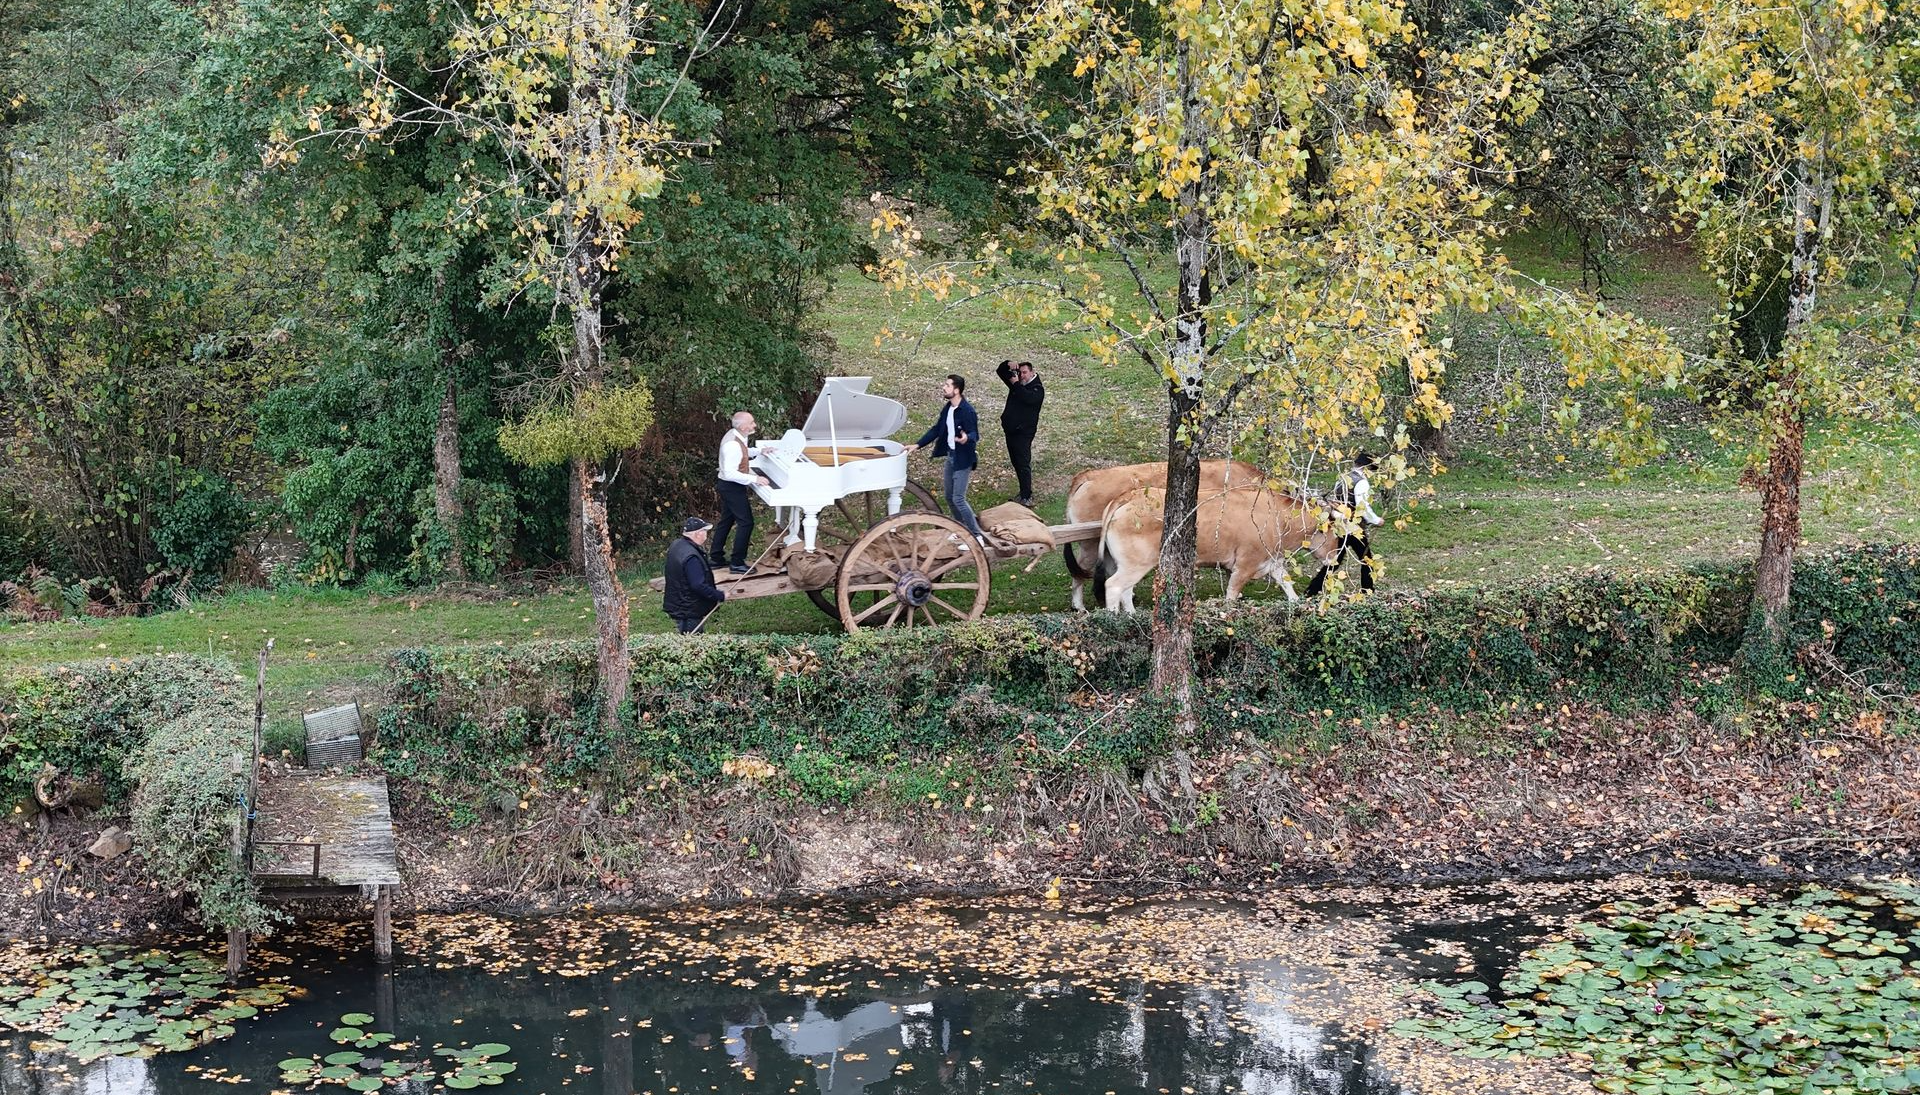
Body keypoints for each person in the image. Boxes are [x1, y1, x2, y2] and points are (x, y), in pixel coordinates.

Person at [909, 374, 984, 539]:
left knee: (958, 498)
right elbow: (937, 429)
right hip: (951, 457)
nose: (944, 387)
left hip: (963, 459)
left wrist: (966, 438)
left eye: (948, 385)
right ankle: (961, 529)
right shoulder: (948, 408)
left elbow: (974, 434)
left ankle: (976, 535)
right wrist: (917, 444)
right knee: (949, 497)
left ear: (956, 390)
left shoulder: (967, 411)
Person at [1305, 452, 1384, 596]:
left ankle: (1313, 588)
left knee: (1337, 559)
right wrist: (1376, 520)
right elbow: (1362, 506)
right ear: (1366, 467)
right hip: (1354, 527)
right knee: (1367, 558)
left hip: (1340, 524)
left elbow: (1336, 500)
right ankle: (1368, 590)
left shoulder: (1343, 478)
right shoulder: (1362, 483)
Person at [712, 411, 771, 574]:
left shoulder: (736, 435)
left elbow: (743, 451)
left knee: (726, 521)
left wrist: (759, 452)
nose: (754, 425)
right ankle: (737, 563)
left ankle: (716, 558)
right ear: (744, 426)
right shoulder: (732, 444)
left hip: (728, 485)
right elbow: (730, 473)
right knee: (746, 523)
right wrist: (755, 479)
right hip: (731, 486)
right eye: (752, 423)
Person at [663, 517, 728, 633]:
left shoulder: (677, 545)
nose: (706, 534)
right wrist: (719, 595)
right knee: (692, 642)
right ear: (698, 534)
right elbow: (698, 585)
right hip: (689, 609)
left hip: (679, 603)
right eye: (705, 531)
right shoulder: (692, 558)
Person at [995, 359, 1045, 507]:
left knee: (1023, 463)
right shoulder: (1017, 385)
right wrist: (1008, 364)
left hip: (1024, 432)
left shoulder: (1037, 389)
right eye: (1020, 372)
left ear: (1032, 373)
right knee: (1015, 462)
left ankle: (1027, 495)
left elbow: (1027, 398)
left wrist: (1016, 383)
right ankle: (1023, 492)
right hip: (1011, 430)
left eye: (1024, 373)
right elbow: (1000, 372)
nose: (1021, 376)